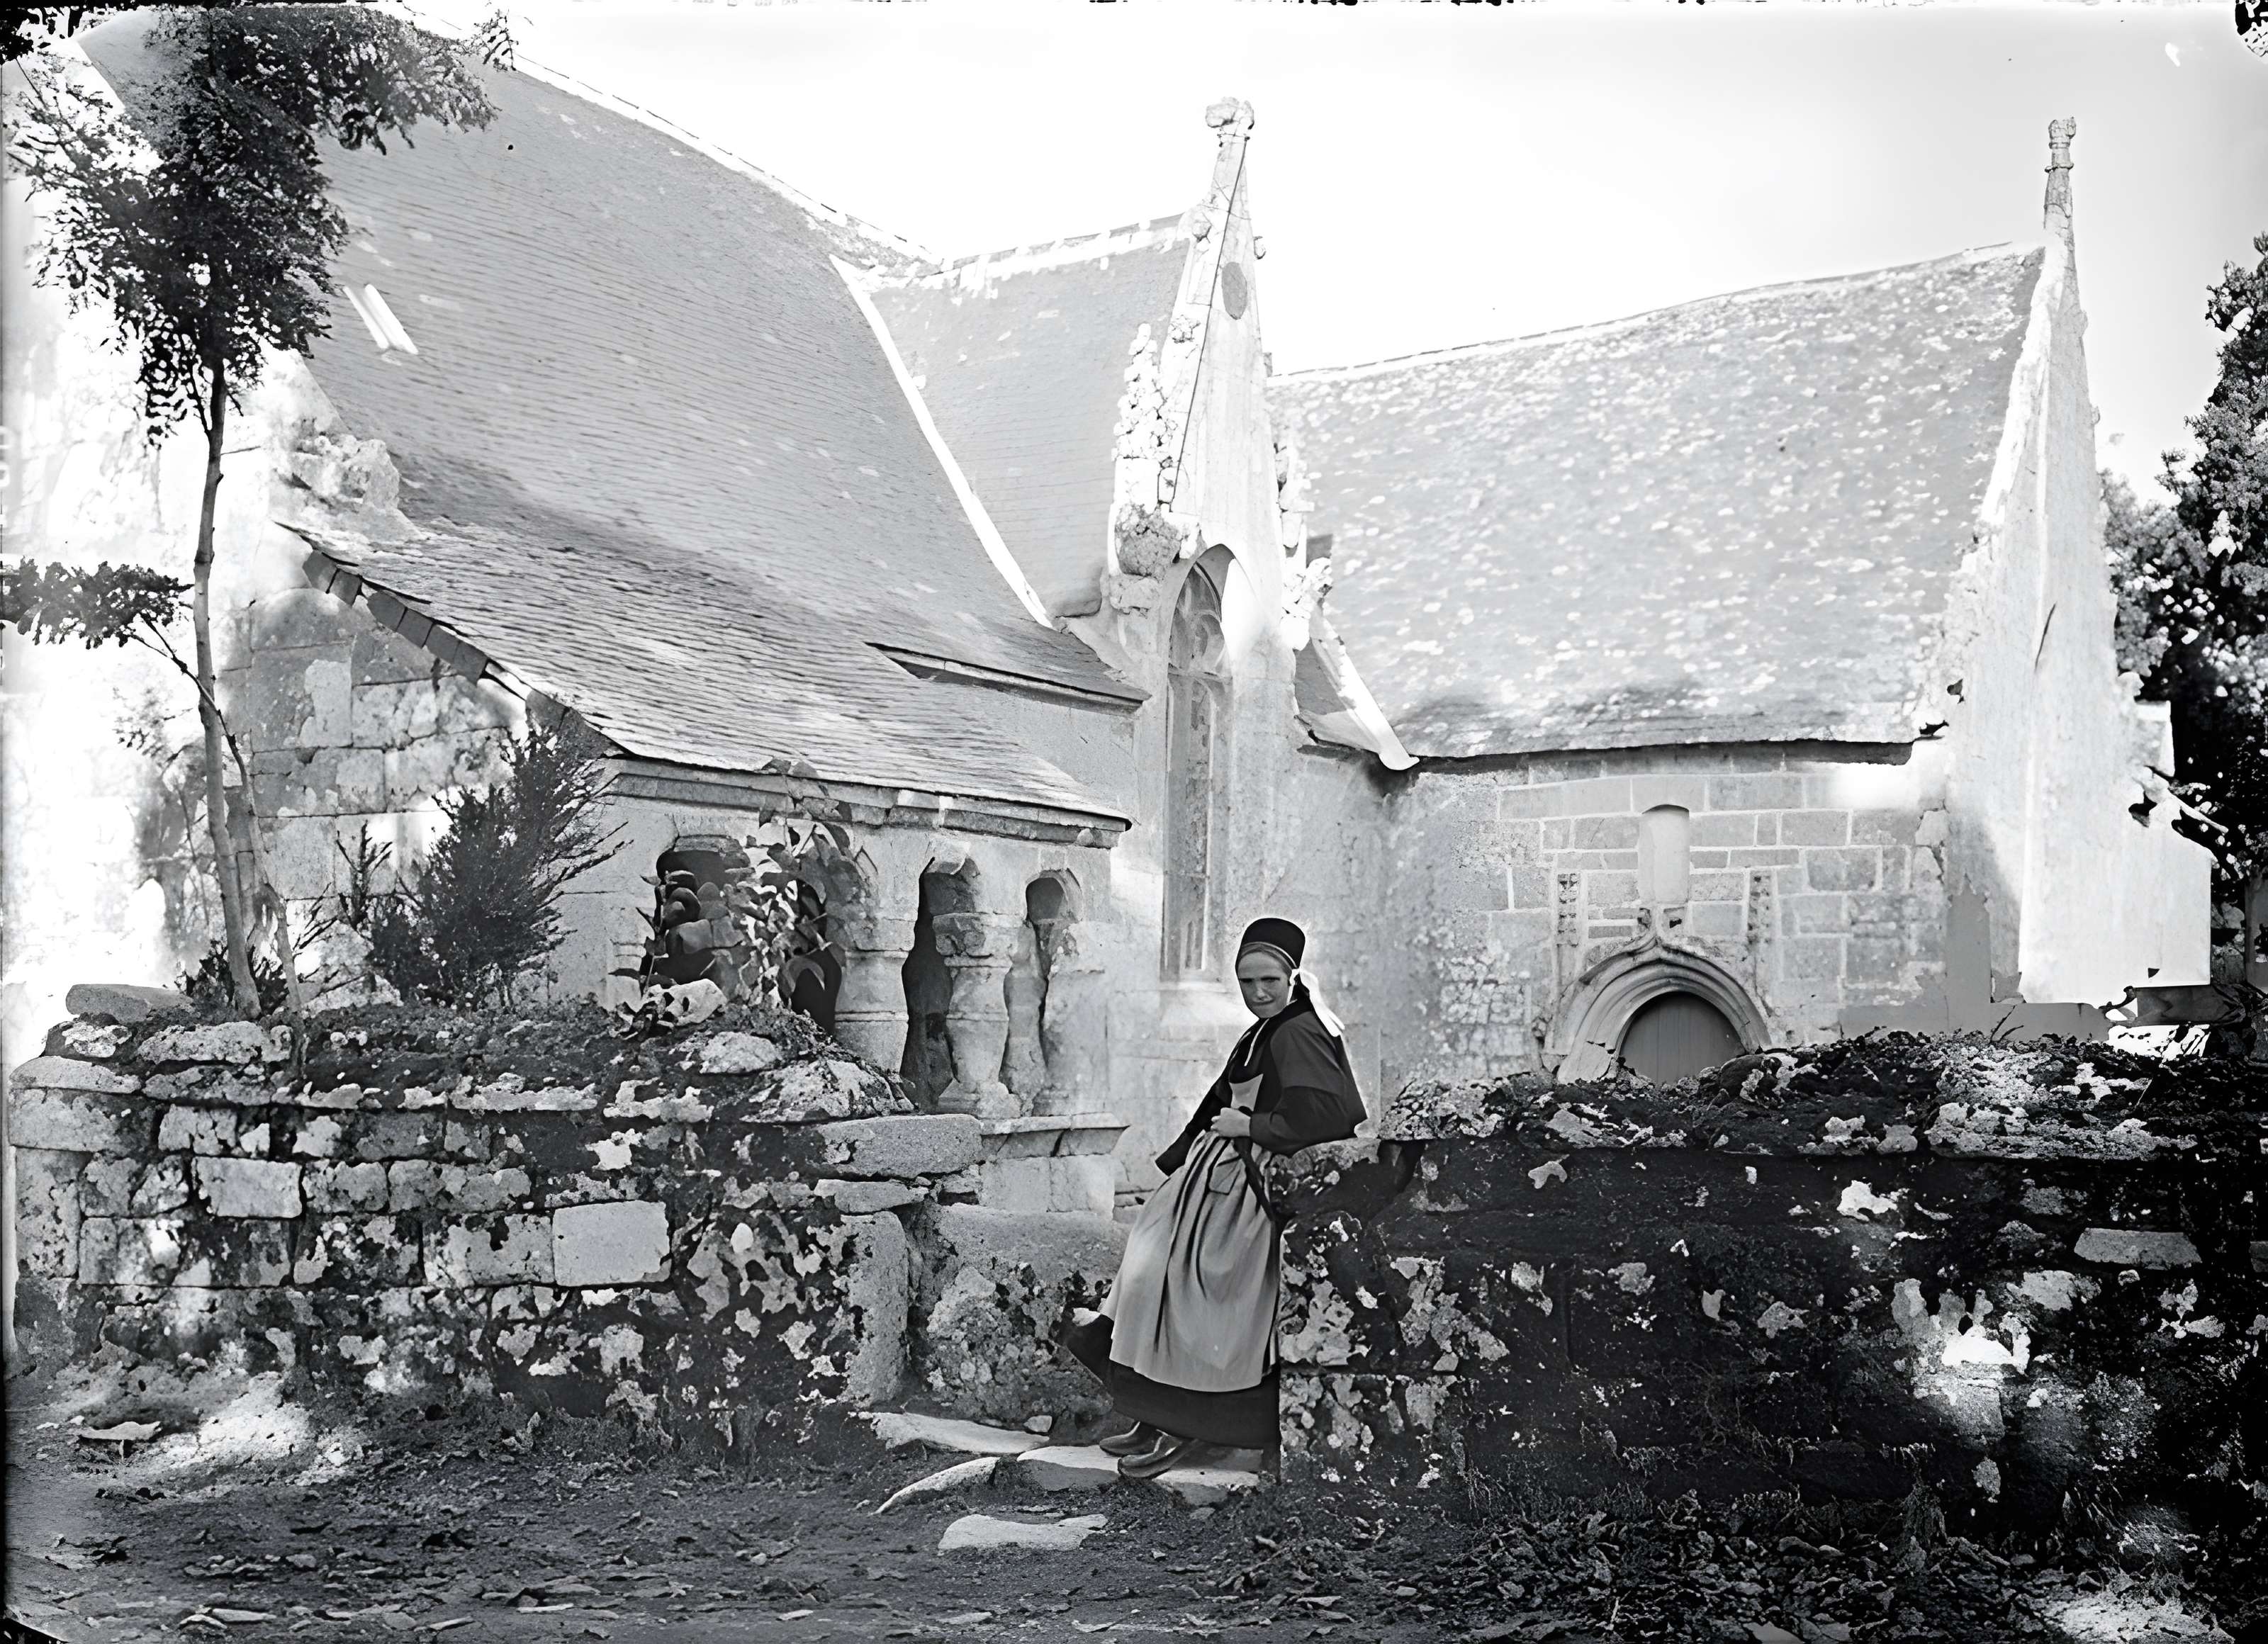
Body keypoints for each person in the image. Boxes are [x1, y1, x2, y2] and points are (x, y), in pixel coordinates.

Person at [1058, 917, 1366, 1478]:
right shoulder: (1262, 1031)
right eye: (1247, 981)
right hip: (1217, 1176)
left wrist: (1251, 1126)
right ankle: (1154, 1412)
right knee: (1150, 1277)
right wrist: (1181, 1158)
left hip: (1249, 1189)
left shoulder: (1298, 1030)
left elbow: (1328, 1116)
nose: (1258, 992)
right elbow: (1217, 1103)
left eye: (1269, 980)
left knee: (1198, 1295)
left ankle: (1191, 1426)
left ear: (1293, 977)